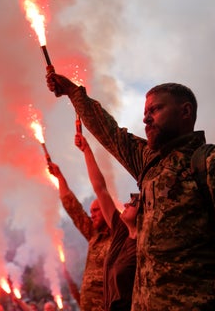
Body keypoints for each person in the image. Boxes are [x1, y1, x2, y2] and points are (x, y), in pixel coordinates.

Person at [46, 71, 215, 309]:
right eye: (145, 113)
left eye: (155, 110)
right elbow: (110, 133)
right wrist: (73, 92)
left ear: (185, 111)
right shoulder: (149, 163)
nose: (146, 119)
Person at [74, 133, 137, 311]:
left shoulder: (145, 241)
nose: (125, 203)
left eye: (133, 202)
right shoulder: (121, 232)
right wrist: (86, 150)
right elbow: (100, 189)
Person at [48, 159, 112, 311]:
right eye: (90, 212)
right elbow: (74, 209)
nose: (92, 215)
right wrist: (60, 178)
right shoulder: (94, 235)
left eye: (96, 210)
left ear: (106, 209)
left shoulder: (120, 237)